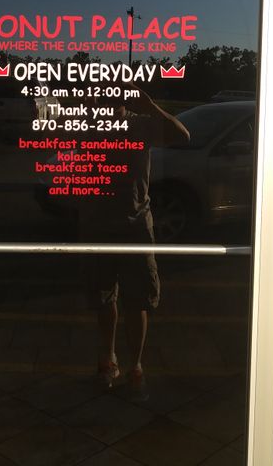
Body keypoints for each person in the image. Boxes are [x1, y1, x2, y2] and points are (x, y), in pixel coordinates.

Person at [78, 84, 190, 399]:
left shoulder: (141, 124)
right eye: (104, 94)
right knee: (103, 298)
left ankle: (135, 365)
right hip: (97, 224)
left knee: (138, 299)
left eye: (118, 94)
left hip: (136, 225)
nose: (110, 100)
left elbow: (182, 136)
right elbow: (43, 132)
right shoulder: (87, 124)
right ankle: (108, 359)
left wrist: (150, 105)